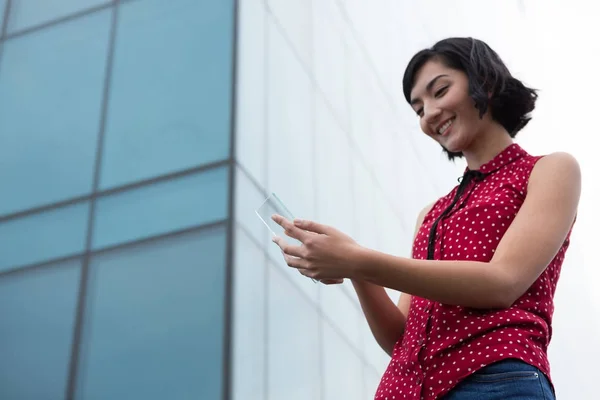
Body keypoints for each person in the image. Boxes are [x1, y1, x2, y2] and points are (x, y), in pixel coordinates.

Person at [271, 37, 580, 399]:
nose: (429, 113)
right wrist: (353, 267)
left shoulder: (549, 170)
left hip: (494, 380)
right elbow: (400, 338)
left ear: (487, 82)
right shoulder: (430, 215)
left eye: (440, 91)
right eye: (418, 109)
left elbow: (502, 282)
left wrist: (357, 259)